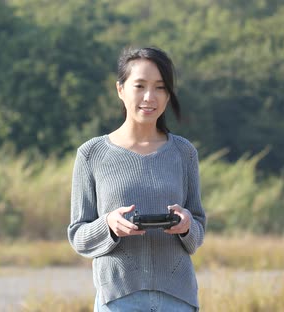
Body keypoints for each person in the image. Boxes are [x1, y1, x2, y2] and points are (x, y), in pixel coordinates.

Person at [67, 46, 206, 312]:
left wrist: (187, 224)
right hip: (118, 299)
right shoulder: (91, 154)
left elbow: (198, 228)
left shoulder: (184, 152)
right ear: (120, 89)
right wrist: (108, 224)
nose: (149, 97)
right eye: (140, 86)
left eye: (160, 87)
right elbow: (78, 236)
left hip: (177, 299)